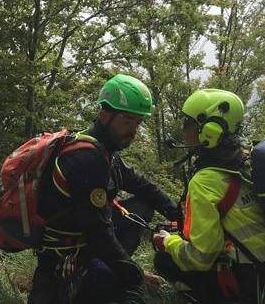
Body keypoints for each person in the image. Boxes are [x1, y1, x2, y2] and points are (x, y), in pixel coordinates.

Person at [28, 74, 181, 304]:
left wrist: (178, 213)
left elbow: (140, 184)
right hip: (65, 258)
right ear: (104, 114)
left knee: (142, 205)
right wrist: (136, 275)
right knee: (125, 288)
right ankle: (96, 282)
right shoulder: (88, 159)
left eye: (138, 123)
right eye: (128, 121)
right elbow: (99, 233)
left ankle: (105, 275)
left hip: (83, 240)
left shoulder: (102, 150)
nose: (134, 131)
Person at [151, 88, 265, 304]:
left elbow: (201, 258)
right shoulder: (247, 160)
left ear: (209, 130)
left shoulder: (205, 182)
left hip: (250, 281)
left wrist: (169, 242)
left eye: (188, 124)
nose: (183, 131)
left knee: (164, 259)